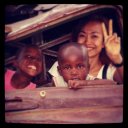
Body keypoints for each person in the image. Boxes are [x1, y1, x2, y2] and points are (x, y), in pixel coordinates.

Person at [49, 14, 123, 84]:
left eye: (94, 36)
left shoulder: (109, 71)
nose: (87, 41)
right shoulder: (60, 65)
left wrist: (116, 57)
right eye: (82, 35)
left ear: (103, 42)